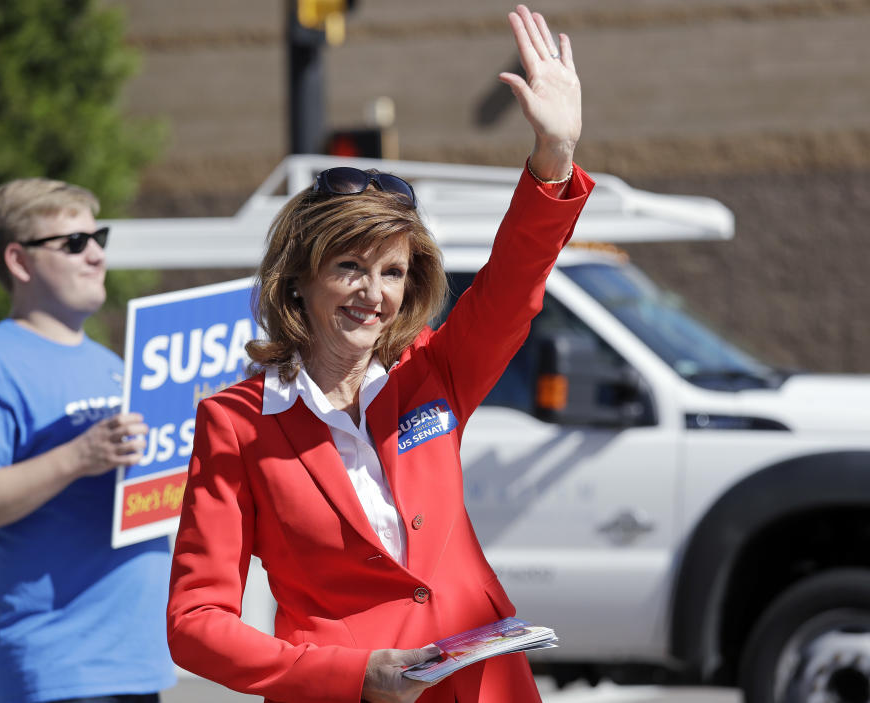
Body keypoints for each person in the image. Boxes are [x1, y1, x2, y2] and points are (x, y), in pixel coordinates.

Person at [167, 5, 592, 703]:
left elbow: (515, 284)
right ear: (299, 280)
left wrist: (555, 157)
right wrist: (350, 675)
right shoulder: (235, 422)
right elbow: (194, 622)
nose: (373, 293)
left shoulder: (434, 373)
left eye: (392, 272)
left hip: (485, 688)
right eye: (349, 268)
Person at [0, 178, 176, 703]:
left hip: (139, 660)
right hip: (56, 664)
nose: (96, 256)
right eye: (73, 242)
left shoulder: (114, 367)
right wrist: (78, 456)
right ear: (19, 261)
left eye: (98, 238)